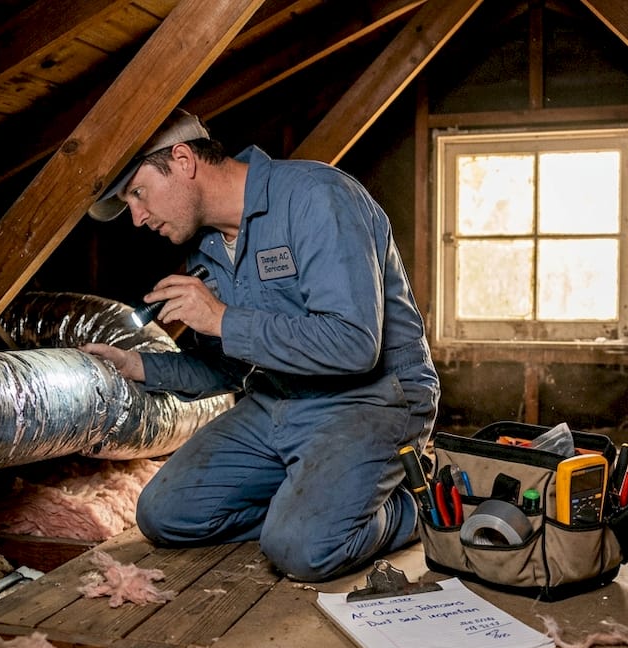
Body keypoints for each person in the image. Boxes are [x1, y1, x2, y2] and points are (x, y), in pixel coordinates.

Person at [82, 109, 439, 582]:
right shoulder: (205, 247)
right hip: (278, 401)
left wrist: (222, 318)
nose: (138, 217)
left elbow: (356, 345)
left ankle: (408, 506)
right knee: (164, 515)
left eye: (139, 194)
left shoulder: (318, 197)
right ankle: (312, 507)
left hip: (370, 401)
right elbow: (233, 364)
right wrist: (138, 366)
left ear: (184, 160)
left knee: (301, 551)